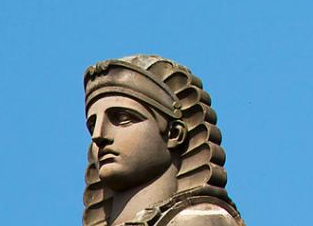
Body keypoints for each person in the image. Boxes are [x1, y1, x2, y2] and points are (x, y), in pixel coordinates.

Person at [84, 55, 245, 226]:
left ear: (174, 133)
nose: (98, 136)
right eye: (93, 125)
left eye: (123, 118)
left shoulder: (202, 220)